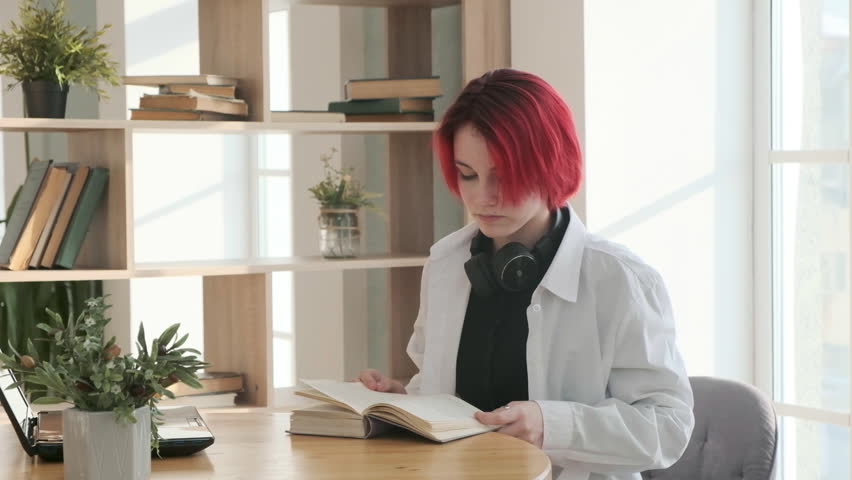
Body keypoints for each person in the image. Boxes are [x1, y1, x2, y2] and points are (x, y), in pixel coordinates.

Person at [357, 68, 694, 480]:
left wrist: (551, 425)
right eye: (468, 174)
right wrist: (405, 403)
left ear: (551, 163)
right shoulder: (446, 263)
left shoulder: (620, 278)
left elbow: (668, 427)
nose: (483, 197)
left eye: (504, 176)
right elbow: (438, 388)